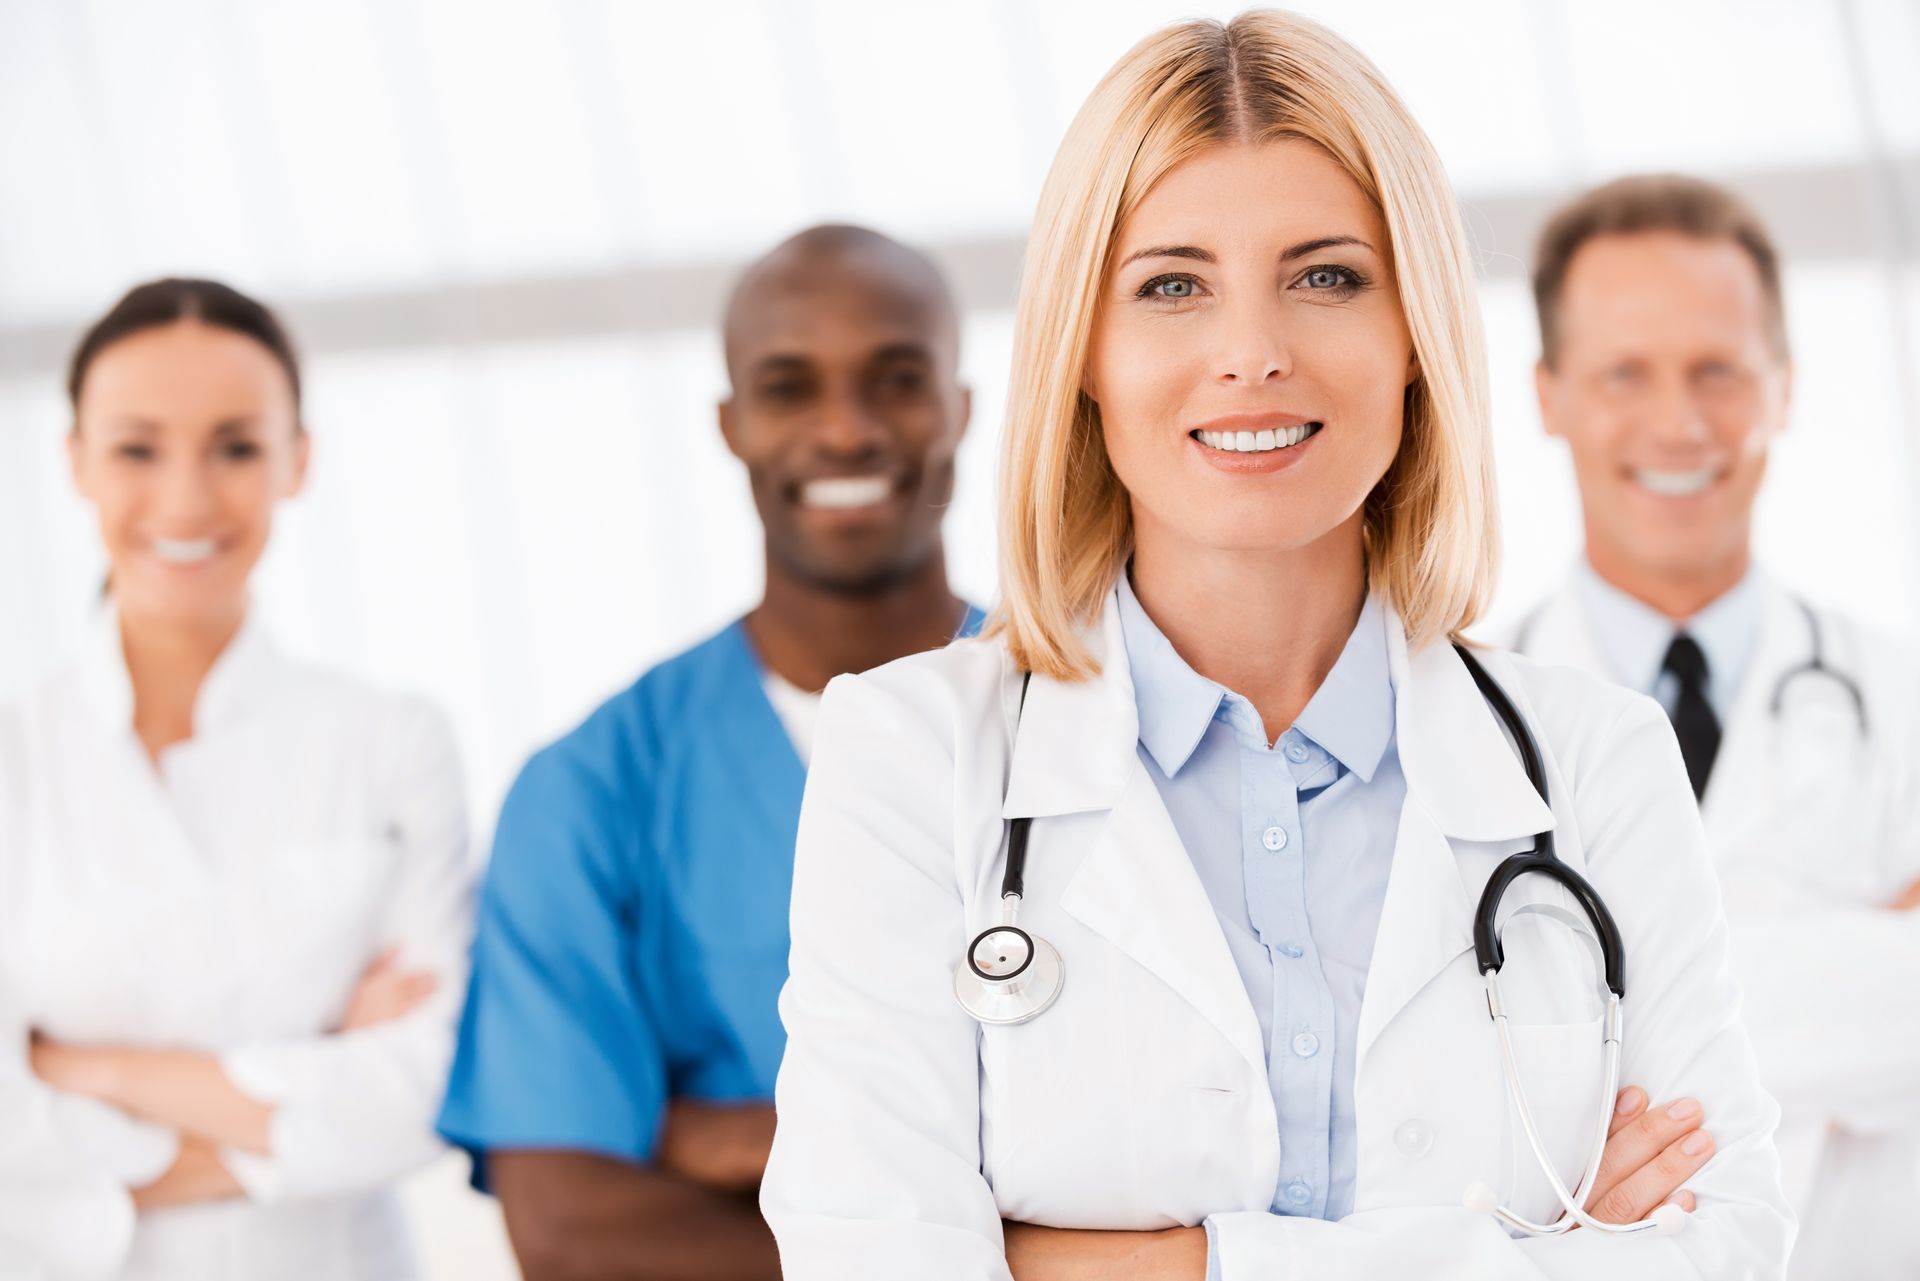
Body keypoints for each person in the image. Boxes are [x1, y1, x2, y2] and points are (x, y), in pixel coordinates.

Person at [761, 13, 1793, 1280]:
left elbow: (1730, 1244)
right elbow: (871, 1259)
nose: (1253, 352)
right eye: (1171, 286)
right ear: (1082, 350)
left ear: (1416, 332)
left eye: (1327, 277)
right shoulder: (915, 757)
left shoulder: (1599, 761)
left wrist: (1126, 1262)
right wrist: (1526, 1253)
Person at [436, 224, 985, 1281]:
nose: (845, 429)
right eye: (790, 387)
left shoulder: (1104, 723)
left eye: (898, 378)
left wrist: (724, 1139)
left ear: (959, 405)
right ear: (731, 424)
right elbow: (568, 1226)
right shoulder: (590, 790)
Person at [0, 278, 474, 1279]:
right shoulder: (17, 758)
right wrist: (319, 1071)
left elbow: (436, 1086)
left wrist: (86, 1070)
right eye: (137, 449)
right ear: (75, 461)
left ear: (296, 461)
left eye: (237, 446)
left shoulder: (390, 741)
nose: (185, 500)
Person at [1511, 173, 1920, 1277]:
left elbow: (1517, 1088)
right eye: (1624, 373)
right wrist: (1877, 958)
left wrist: (1598, 1021)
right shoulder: (1462, 720)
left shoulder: (1906, 697)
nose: (1679, 423)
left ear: (1783, 387)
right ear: (1548, 396)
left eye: (1719, 371)